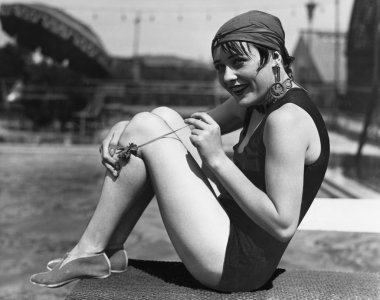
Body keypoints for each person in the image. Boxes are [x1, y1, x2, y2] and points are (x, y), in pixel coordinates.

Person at [30, 10, 329, 292]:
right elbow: (175, 129)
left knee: (148, 125)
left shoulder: (286, 120)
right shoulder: (256, 101)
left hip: (236, 264)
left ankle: (88, 250)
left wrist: (217, 160)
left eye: (238, 63)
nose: (227, 77)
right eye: (220, 67)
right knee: (159, 116)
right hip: (225, 227)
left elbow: (283, 224)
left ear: (274, 56)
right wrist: (123, 127)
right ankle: (108, 250)